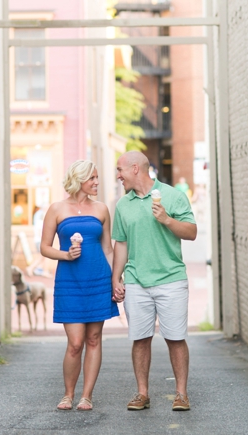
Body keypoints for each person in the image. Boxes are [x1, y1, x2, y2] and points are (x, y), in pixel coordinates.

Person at [111, 151, 198, 412]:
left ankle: (181, 394)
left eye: (120, 170)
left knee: (175, 337)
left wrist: (167, 220)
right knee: (140, 338)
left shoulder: (172, 196)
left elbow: (192, 232)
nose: (118, 176)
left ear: (135, 168)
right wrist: (116, 277)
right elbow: (121, 244)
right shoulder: (123, 205)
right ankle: (142, 393)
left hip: (171, 279)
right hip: (137, 281)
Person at [39, 160, 119, 411]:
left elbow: (108, 248)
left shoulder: (102, 209)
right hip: (70, 282)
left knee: (94, 338)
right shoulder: (57, 209)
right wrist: (65, 255)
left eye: (97, 177)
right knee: (75, 342)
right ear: (79, 179)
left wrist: (116, 279)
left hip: (98, 280)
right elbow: (44, 247)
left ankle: (86, 395)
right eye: (93, 178)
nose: (97, 182)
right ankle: (68, 394)